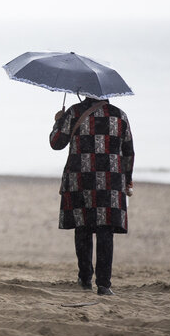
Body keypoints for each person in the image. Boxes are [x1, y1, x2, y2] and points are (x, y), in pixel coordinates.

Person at [50, 96, 134, 296]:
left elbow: (56, 143)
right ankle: (104, 285)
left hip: (80, 179)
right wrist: (127, 180)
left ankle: (85, 278)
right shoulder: (120, 115)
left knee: (83, 228)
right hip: (110, 182)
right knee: (106, 232)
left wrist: (58, 121)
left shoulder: (74, 112)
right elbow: (129, 152)